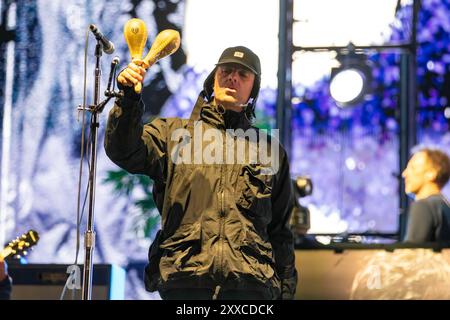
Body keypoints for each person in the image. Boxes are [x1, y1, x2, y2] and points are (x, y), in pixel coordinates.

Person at [105, 46, 298, 299]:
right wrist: (128, 99)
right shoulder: (173, 135)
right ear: (213, 80)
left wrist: (285, 293)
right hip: (185, 281)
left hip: (250, 288)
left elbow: (280, 232)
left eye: (243, 74)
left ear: (254, 89)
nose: (233, 78)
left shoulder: (270, 150)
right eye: (226, 70)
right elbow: (123, 149)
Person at [402, 147, 450, 243]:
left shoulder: (424, 206)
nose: (404, 174)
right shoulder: (444, 205)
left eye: (412, 168)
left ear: (432, 173)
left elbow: (411, 253)